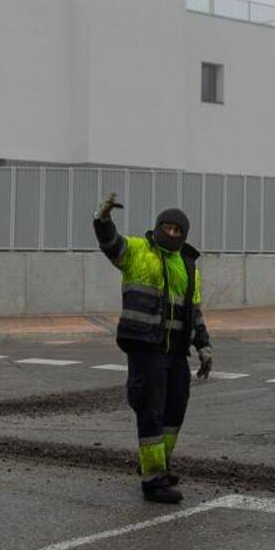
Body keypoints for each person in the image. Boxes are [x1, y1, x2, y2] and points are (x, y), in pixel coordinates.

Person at [93, 193, 213, 504]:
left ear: (184, 235)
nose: (172, 234)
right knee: (150, 410)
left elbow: (194, 311)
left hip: (175, 352)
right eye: (168, 227)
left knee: (175, 410)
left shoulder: (188, 265)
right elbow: (111, 244)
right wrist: (103, 220)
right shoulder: (137, 251)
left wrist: (204, 345)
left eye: (178, 231)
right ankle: (154, 480)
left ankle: (159, 465)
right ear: (158, 227)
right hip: (145, 349)